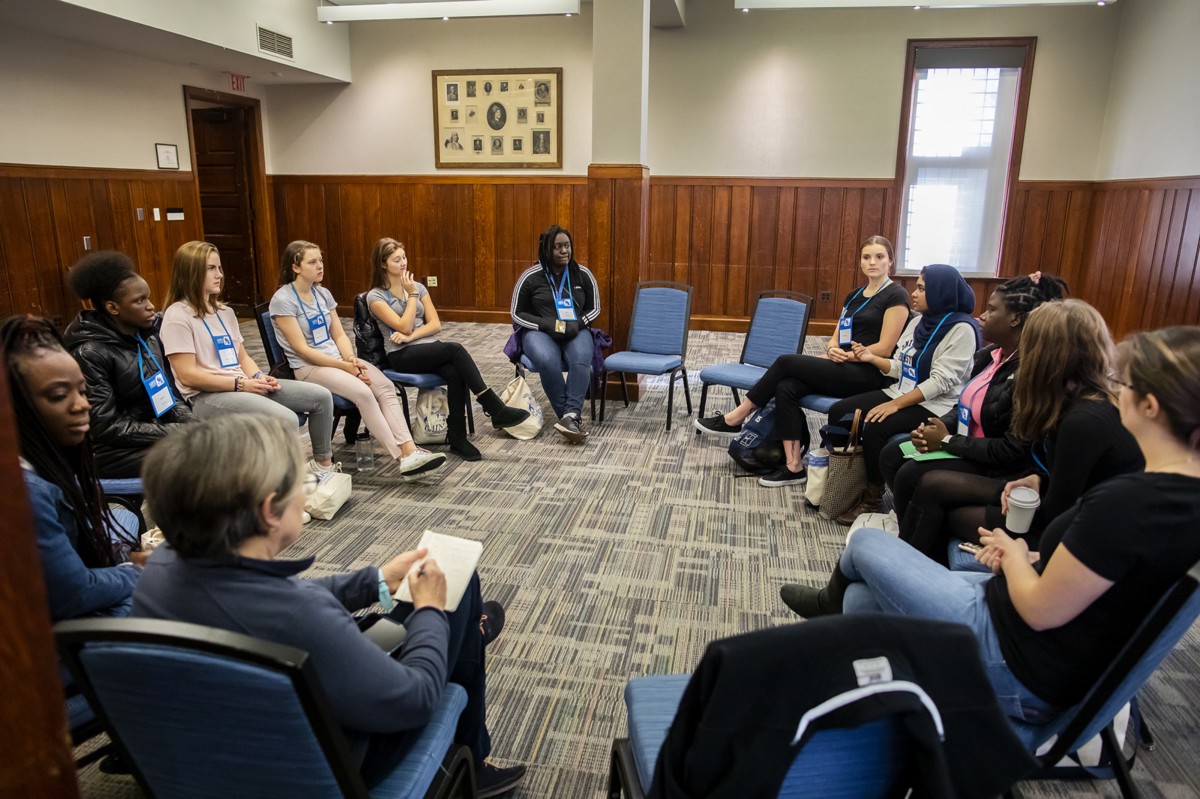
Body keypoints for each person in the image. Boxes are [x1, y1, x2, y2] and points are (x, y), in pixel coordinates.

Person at [777, 325, 1200, 726]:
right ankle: (863, 676)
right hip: (1028, 634)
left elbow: (1039, 611)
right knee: (860, 601)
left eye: (1123, 385)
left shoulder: (1129, 501)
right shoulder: (1168, 492)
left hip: (1015, 659)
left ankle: (863, 691)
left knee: (866, 544)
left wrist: (1016, 557)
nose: (1114, 394)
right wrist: (1034, 552)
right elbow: (1109, 571)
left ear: (1150, 406)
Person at [132, 414, 526, 797]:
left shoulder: (161, 568)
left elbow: (283, 600)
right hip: (334, 762)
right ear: (270, 511)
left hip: (221, 747)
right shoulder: (300, 616)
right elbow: (415, 699)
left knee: (448, 603)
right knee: (455, 589)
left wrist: (373, 581)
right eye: (300, 481)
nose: (305, 489)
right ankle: (473, 746)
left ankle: (469, 630)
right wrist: (430, 612)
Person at [887, 299, 1144, 565]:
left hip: (1082, 533)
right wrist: (1036, 479)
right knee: (932, 484)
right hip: (1051, 499)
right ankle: (907, 568)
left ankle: (913, 573)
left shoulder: (1084, 419)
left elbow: (1059, 511)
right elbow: (1064, 473)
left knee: (946, 510)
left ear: (1045, 353)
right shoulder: (1075, 398)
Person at [694, 235, 910, 485]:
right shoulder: (854, 295)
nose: (872, 262)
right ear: (860, 262)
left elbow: (884, 348)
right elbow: (835, 338)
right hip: (842, 365)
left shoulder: (896, 295)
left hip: (869, 373)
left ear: (890, 262)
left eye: (879, 257)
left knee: (786, 362)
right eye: (867, 257)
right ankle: (794, 466)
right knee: (786, 387)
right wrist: (831, 350)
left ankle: (736, 417)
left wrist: (848, 355)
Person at [877, 273, 1068, 528]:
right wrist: (938, 426)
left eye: (991, 309)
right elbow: (964, 404)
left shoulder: (1028, 373)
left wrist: (947, 441)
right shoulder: (990, 355)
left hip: (997, 465)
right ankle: (911, 521)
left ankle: (918, 535)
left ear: (1015, 318)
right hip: (965, 445)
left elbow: (1011, 451)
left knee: (911, 475)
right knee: (893, 453)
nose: (982, 316)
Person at [4, 315, 145, 621]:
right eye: (58, 395)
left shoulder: (40, 464)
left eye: (81, 391)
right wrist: (135, 573)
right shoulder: (26, 494)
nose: (82, 404)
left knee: (121, 519)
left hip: (65, 597)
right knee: (172, 592)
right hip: (64, 640)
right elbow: (73, 594)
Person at [159, 241, 338, 476]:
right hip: (207, 396)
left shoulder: (225, 312)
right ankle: (279, 489)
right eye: (211, 269)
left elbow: (242, 355)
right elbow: (187, 375)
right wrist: (242, 384)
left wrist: (258, 376)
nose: (219, 275)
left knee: (320, 397)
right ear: (191, 272)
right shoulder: (177, 316)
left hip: (242, 384)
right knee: (285, 419)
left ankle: (322, 467)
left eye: (219, 268)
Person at [819, 264, 980, 521]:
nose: (913, 294)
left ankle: (872, 496)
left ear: (941, 293)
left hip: (935, 404)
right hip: (901, 390)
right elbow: (902, 367)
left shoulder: (962, 329)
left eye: (921, 288)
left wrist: (896, 405)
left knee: (874, 424)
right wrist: (871, 358)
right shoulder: (918, 322)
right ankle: (845, 483)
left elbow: (941, 381)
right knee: (840, 411)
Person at [272, 240, 445, 476]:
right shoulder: (284, 300)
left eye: (320, 260)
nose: (320, 266)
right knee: (363, 392)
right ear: (296, 267)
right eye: (312, 262)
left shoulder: (322, 293)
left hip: (339, 361)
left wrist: (350, 359)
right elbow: (302, 349)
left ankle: (410, 448)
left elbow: (339, 334)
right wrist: (344, 366)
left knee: (385, 386)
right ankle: (401, 456)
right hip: (309, 367)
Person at [366, 238, 528, 461]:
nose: (403, 263)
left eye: (404, 257)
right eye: (396, 260)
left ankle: (458, 438)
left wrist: (411, 334)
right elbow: (401, 324)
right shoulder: (376, 296)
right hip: (400, 355)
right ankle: (494, 407)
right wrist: (411, 295)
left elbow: (435, 325)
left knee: (455, 371)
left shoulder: (419, 287)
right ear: (383, 264)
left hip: (425, 346)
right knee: (456, 350)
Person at [63, 251, 194, 478]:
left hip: (149, 432)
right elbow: (106, 427)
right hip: (108, 452)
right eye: (140, 300)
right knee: (204, 456)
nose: (151, 306)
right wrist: (177, 431)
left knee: (218, 439)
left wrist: (190, 422)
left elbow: (167, 395)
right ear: (113, 308)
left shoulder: (147, 337)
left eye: (149, 297)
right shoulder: (89, 353)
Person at [510, 225, 600, 443]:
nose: (564, 251)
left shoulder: (582, 274)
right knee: (547, 360)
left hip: (574, 330)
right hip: (539, 332)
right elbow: (516, 312)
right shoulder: (531, 276)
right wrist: (544, 324)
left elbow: (595, 308)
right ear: (547, 250)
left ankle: (570, 417)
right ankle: (568, 416)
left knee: (581, 361)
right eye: (558, 247)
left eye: (567, 246)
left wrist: (578, 324)